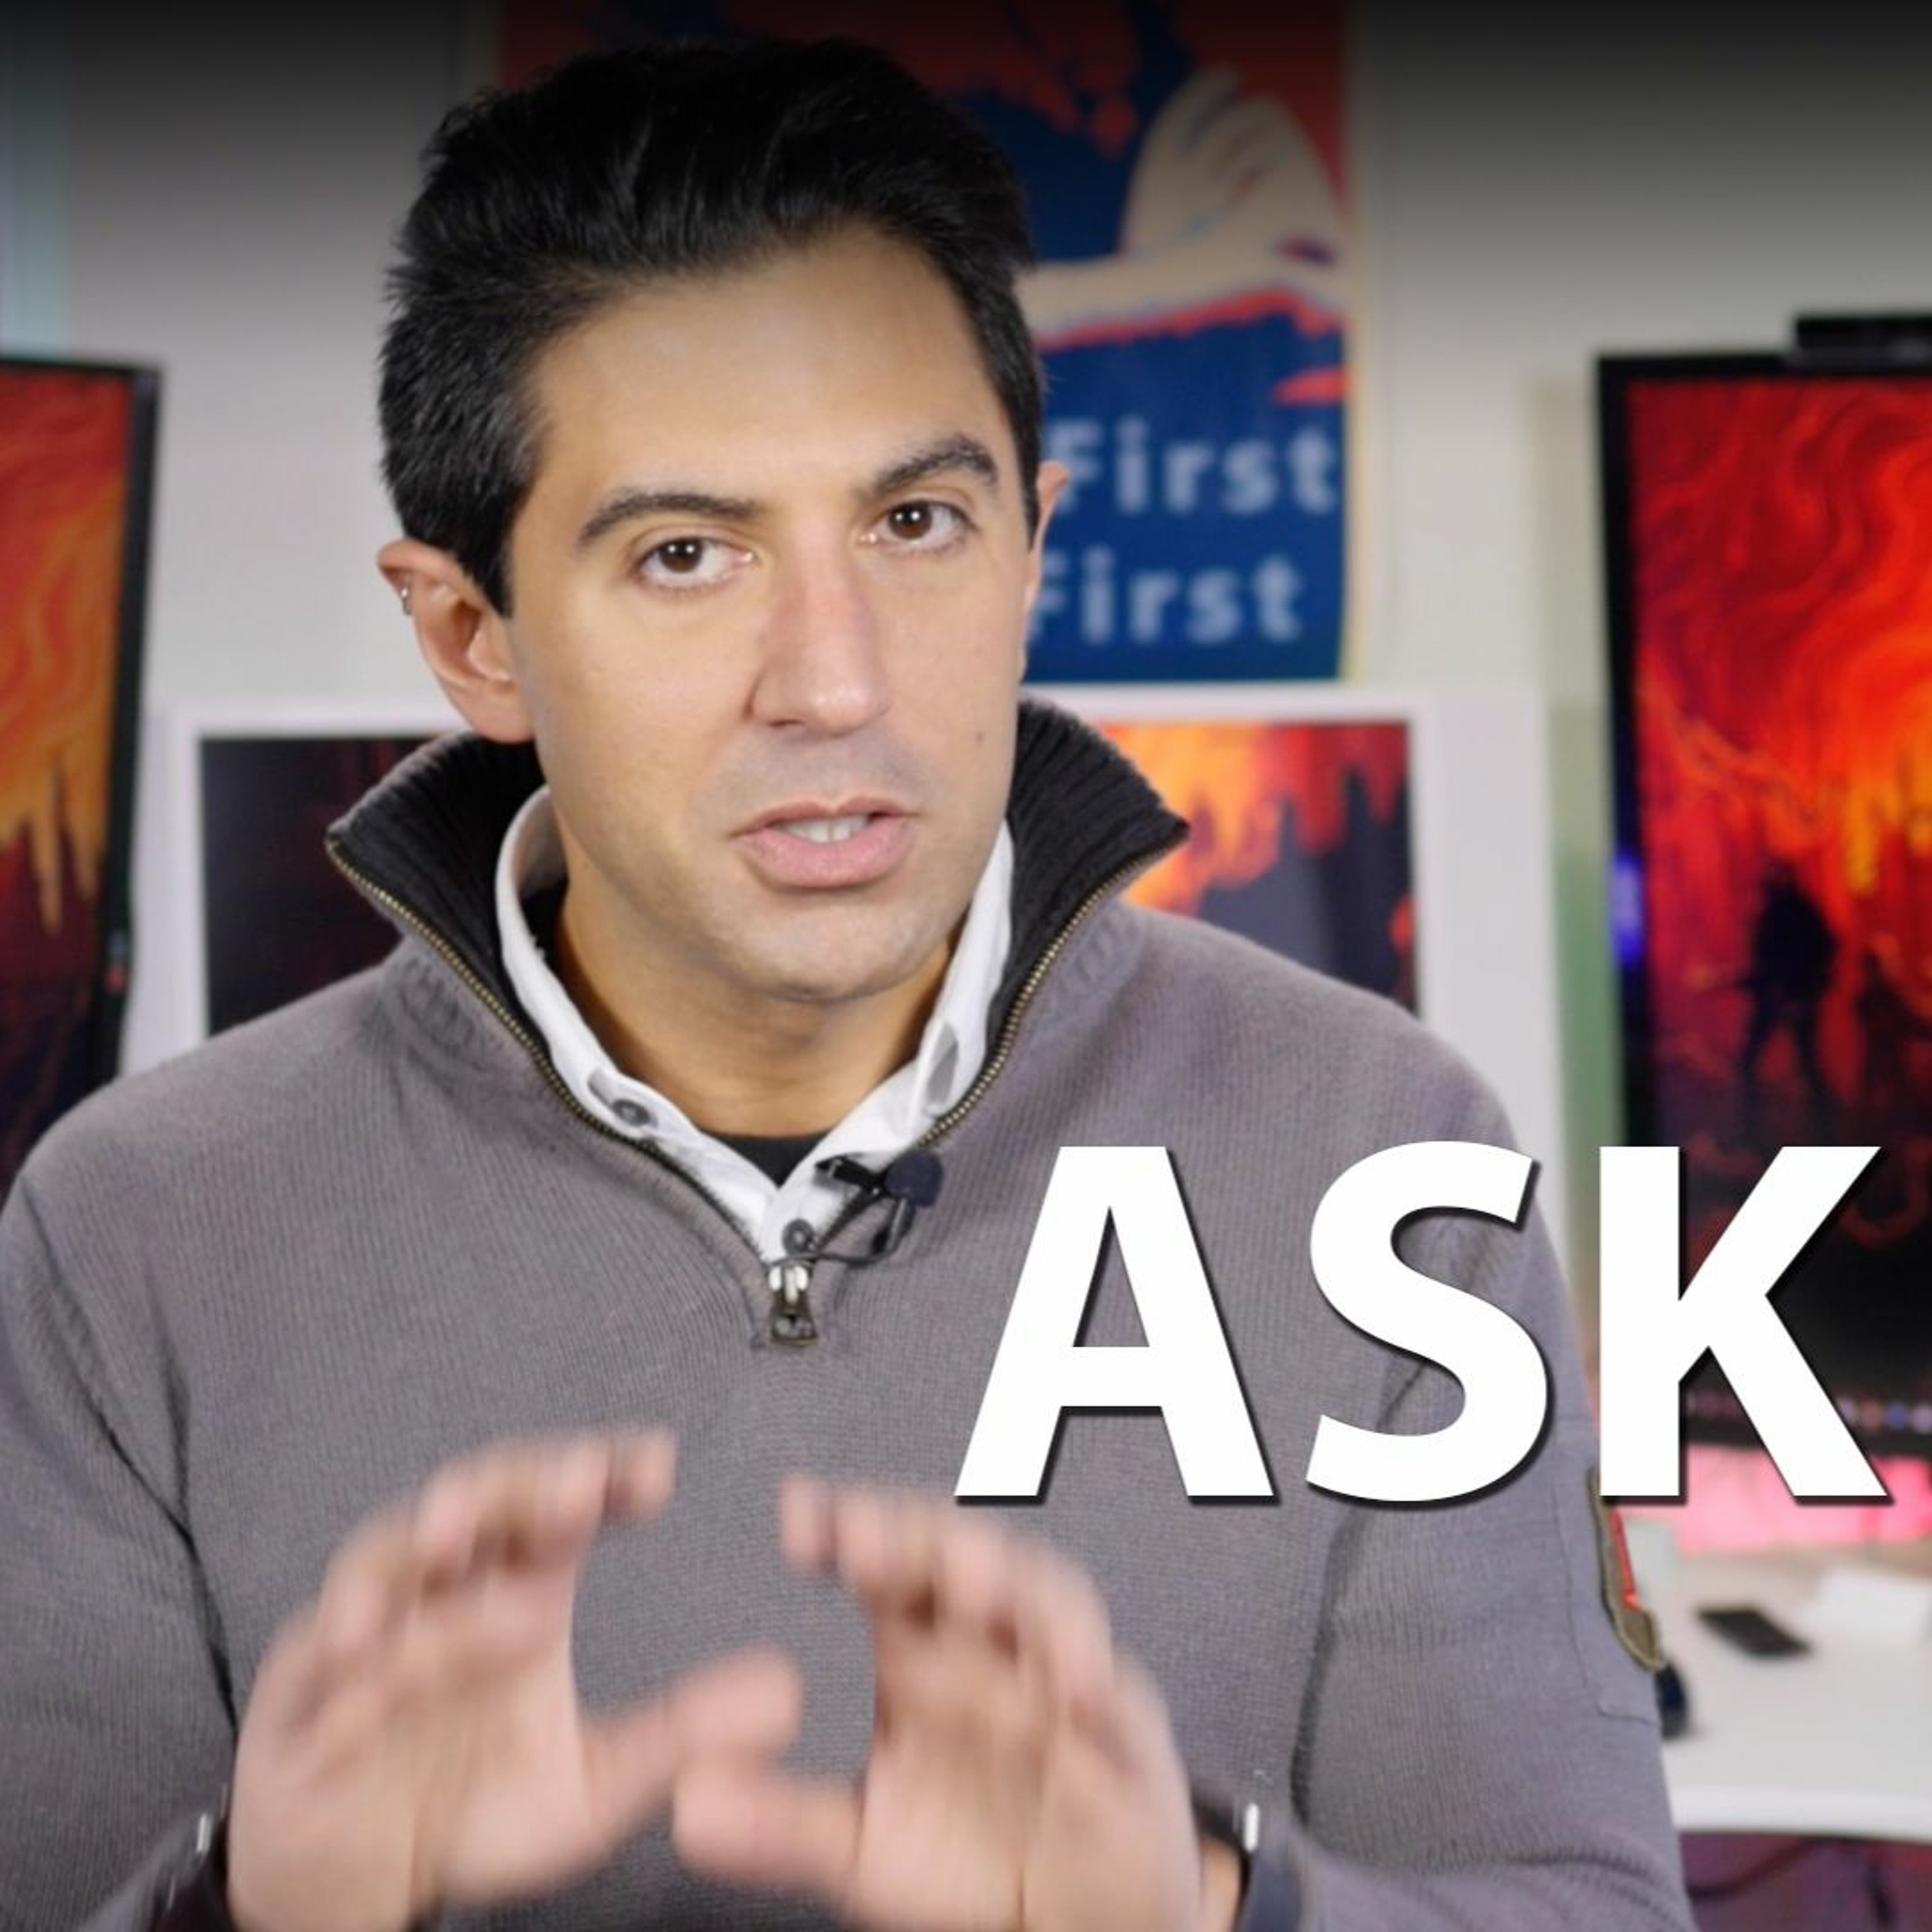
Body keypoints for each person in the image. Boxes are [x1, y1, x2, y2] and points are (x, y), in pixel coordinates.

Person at [0, 39, 1693, 1932]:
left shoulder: (1390, 1153)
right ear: (474, 637)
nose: (836, 681)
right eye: (686, 554)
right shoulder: (131, 1233)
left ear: (1034, 548)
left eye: (915, 525)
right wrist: (240, 1914)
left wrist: (1219, 1910)